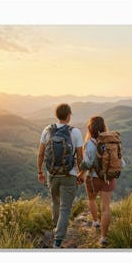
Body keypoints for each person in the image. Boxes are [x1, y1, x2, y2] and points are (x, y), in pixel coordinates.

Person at [37, 103, 83, 248]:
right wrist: (81, 173)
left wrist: (40, 172)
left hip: (52, 174)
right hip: (69, 175)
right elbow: (80, 157)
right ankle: (58, 240)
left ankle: (56, 229)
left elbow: (41, 153)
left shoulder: (47, 130)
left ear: (57, 115)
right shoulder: (75, 132)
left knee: (55, 202)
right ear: (69, 116)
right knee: (65, 207)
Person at [77, 116, 124, 248]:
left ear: (90, 129)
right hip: (109, 179)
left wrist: (81, 173)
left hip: (93, 179)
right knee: (105, 208)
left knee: (91, 200)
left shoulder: (90, 143)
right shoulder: (111, 141)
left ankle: (96, 222)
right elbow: (122, 163)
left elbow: (87, 163)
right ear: (103, 127)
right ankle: (103, 238)